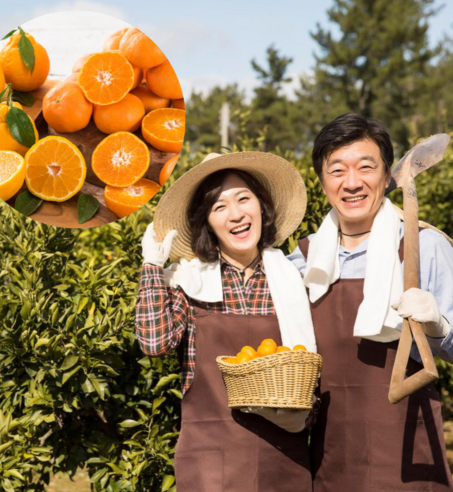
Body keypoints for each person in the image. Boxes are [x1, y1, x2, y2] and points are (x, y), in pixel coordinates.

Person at [288, 113, 453, 491]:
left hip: (406, 453)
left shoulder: (421, 246)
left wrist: (439, 326)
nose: (352, 183)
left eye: (366, 167)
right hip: (329, 456)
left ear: (386, 176)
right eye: (337, 170)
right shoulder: (303, 261)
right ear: (321, 181)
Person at [135, 151, 317, 492]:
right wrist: (152, 270)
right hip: (210, 464)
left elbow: (313, 370)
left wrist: (304, 414)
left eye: (243, 199)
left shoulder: (294, 280)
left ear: (261, 206)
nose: (235, 215)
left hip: (283, 459)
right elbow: (154, 344)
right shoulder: (190, 283)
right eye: (219, 207)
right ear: (207, 222)